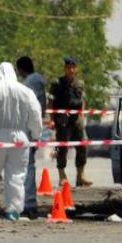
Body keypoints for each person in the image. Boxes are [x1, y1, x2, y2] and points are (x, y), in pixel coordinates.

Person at [0, 62, 43, 221]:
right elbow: (35, 114)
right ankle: (14, 210)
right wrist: (35, 134)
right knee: (16, 174)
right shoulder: (26, 91)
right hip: (20, 136)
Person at [50, 56, 92, 186]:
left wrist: (82, 116)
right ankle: (62, 176)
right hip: (62, 120)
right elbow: (51, 101)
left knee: (83, 145)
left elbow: (82, 101)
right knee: (62, 148)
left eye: (73, 67)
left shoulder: (80, 84)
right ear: (65, 69)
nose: (71, 70)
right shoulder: (57, 83)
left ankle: (80, 176)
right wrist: (52, 120)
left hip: (76, 119)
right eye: (69, 68)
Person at [16, 56, 47, 219]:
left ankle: (27, 203)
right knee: (28, 166)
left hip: (26, 129)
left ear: (21, 69)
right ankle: (28, 202)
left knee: (26, 167)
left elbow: (28, 106)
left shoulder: (30, 83)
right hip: (33, 129)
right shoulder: (38, 80)